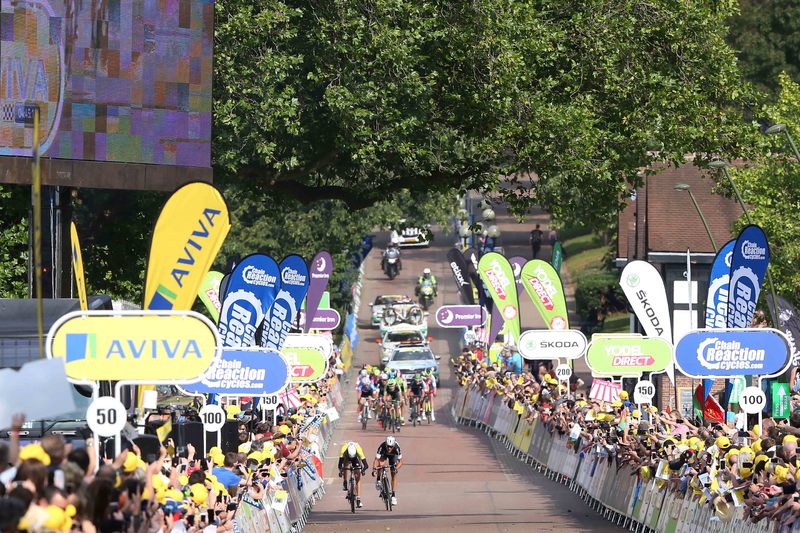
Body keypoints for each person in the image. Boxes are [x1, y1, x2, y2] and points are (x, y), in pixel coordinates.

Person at [373, 435, 403, 506]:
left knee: (393, 473)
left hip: (393, 456)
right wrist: (374, 469)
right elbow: (376, 459)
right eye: (388, 446)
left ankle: (393, 495)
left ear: (393, 445)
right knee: (381, 465)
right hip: (384, 454)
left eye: (391, 447)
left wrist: (396, 468)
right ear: (386, 444)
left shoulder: (396, 448)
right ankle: (378, 480)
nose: (389, 448)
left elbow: (401, 462)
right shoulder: (382, 446)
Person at [338, 442, 369, 508]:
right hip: (346, 457)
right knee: (345, 466)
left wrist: (363, 470)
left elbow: (366, 465)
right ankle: (345, 481)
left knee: (358, 477)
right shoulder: (343, 449)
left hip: (356, 458)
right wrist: (341, 471)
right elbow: (340, 465)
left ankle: (358, 499)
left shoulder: (358, 449)